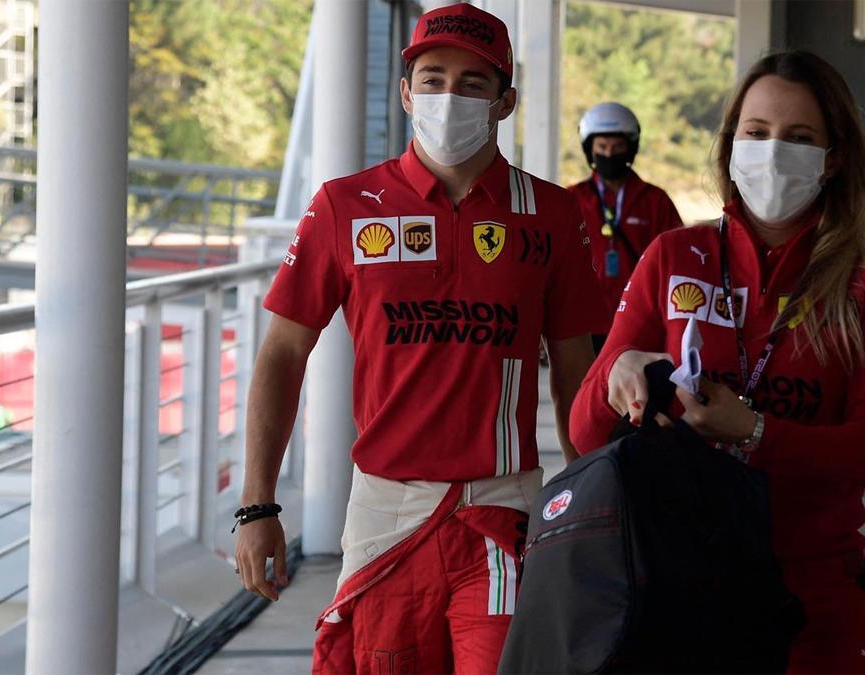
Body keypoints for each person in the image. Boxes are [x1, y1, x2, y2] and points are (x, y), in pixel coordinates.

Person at [233, 4, 601, 673]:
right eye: (432, 78)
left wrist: (594, 506)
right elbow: (284, 351)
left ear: (505, 101)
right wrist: (257, 505)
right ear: (405, 92)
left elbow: (576, 369)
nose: (448, 96)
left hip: (502, 505)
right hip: (385, 507)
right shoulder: (344, 205)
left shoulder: (551, 213)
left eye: (472, 83)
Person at [570, 50, 865, 675]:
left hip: (817, 600)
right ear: (732, 145)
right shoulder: (674, 255)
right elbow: (586, 434)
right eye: (757, 134)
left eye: (800, 137)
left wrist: (754, 433)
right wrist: (616, 369)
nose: (773, 151)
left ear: (834, 157)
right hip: (676, 592)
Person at [568, 102, 683, 352]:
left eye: (618, 147)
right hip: (583, 326)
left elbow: (676, 264)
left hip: (640, 324)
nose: (609, 154)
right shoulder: (571, 200)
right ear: (590, 150)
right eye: (602, 147)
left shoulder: (656, 201)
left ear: (631, 149)